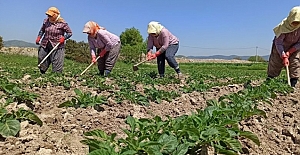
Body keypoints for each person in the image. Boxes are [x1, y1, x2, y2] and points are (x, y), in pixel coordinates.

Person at [267, 6, 300, 87]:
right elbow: (278, 42)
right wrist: (283, 55)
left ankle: (293, 83)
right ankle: (269, 81)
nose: (295, 24)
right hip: (280, 46)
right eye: (294, 22)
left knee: (295, 62)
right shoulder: (283, 27)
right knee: (275, 63)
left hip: (294, 47)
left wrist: (290, 52)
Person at [35, 7, 72, 74]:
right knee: (42, 56)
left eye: (50, 15)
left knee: (56, 60)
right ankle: (42, 71)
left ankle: (56, 75)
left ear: (55, 15)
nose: (48, 16)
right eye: (48, 15)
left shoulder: (63, 24)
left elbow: (70, 33)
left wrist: (64, 38)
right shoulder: (46, 21)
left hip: (57, 44)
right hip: (45, 42)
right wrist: (39, 37)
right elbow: (42, 30)